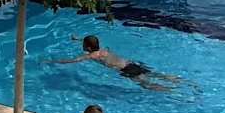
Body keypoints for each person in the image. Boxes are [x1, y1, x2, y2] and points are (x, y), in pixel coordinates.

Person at [54, 35, 186, 93]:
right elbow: (90, 40)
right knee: (154, 74)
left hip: (126, 70)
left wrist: (53, 61)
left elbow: (73, 60)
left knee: (146, 85)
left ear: (88, 48)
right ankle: (178, 80)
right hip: (131, 63)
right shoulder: (103, 50)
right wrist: (78, 39)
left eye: (83, 44)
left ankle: (169, 91)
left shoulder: (92, 55)